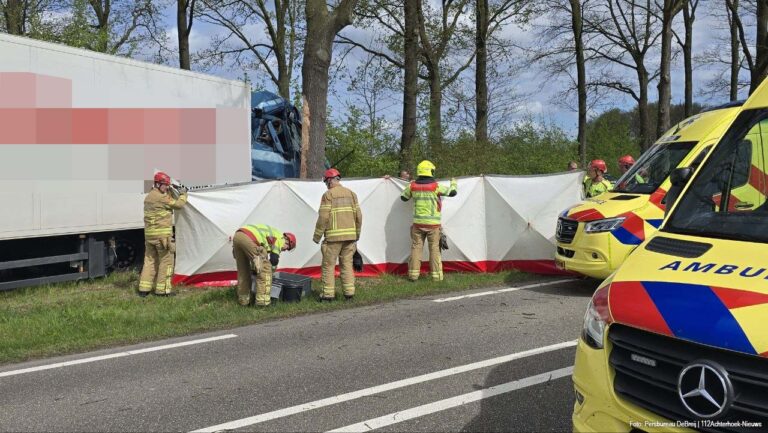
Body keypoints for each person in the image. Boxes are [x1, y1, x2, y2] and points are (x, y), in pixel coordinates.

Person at [401, 160, 457, 282]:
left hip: (418, 224)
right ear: (430, 171)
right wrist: (453, 182)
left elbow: (403, 198)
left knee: (416, 248)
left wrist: (409, 184)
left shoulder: (412, 186)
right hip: (433, 225)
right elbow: (453, 192)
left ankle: (413, 275)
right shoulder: (436, 186)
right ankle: (437, 277)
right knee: (434, 249)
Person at [313, 168, 363, 301]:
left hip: (333, 239)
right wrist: (357, 235)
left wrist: (317, 236)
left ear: (330, 181)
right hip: (350, 238)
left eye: (326, 182)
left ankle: (328, 295)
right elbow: (359, 216)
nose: (326, 185)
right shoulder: (352, 194)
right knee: (347, 265)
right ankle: (349, 293)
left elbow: (323, 217)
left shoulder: (328, 195)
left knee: (328, 266)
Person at [138, 172, 188, 297]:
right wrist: (183, 194)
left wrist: (169, 190)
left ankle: (144, 289)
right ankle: (163, 290)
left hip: (149, 236)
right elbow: (179, 205)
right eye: (165, 185)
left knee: (149, 261)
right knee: (166, 262)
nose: (167, 187)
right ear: (158, 184)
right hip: (162, 237)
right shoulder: (161, 198)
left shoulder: (148, 197)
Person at [232, 224, 296, 307]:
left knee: (244, 271)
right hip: (249, 238)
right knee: (265, 269)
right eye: (287, 248)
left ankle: (244, 301)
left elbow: (258, 259)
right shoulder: (281, 239)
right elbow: (274, 259)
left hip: (238, 236)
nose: (285, 250)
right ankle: (263, 303)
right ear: (287, 240)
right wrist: (272, 271)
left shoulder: (271, 237)